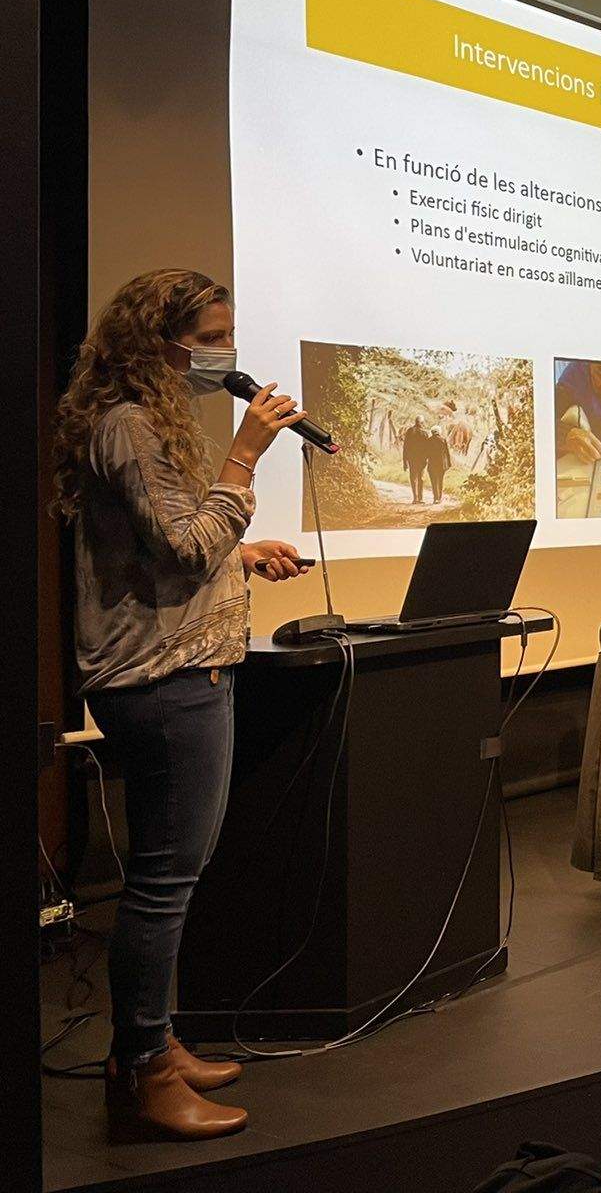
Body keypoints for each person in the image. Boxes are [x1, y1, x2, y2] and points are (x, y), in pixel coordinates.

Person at [52, 269, 315, 1142]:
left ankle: (156, 1042)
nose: (223, 352)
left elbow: (166, 558)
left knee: (176, 875)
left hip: (182, 667)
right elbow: (188, 542)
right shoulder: (129, 426)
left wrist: (245, 556)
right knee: (164, 884)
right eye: (208, 335)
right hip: (162, 683)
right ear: (158, 341)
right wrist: (244, 458)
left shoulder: (140, 421)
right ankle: (143, 1072)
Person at [401, 416, 429, 503]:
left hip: (412, 459)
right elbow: (428, 448)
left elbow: (405, 447)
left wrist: (405, 461)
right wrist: (427, 458)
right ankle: (420, 498)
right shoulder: (424, 433)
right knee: (421, 478)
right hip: (422, 459)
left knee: (413, 477)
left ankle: (415, 498)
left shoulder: (410, 431)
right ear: (421, 423)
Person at [424, 426, 451, 504]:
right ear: (439, 432)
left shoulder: (428, 441)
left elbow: (426, 453)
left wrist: (425, 460)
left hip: (432, 463)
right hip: (441, 464)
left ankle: (435, 498)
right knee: (440, 480)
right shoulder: (443, 440)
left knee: (434, 481)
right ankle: (439, 498)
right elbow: (447, 453)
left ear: (432, 432)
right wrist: (448, 463)